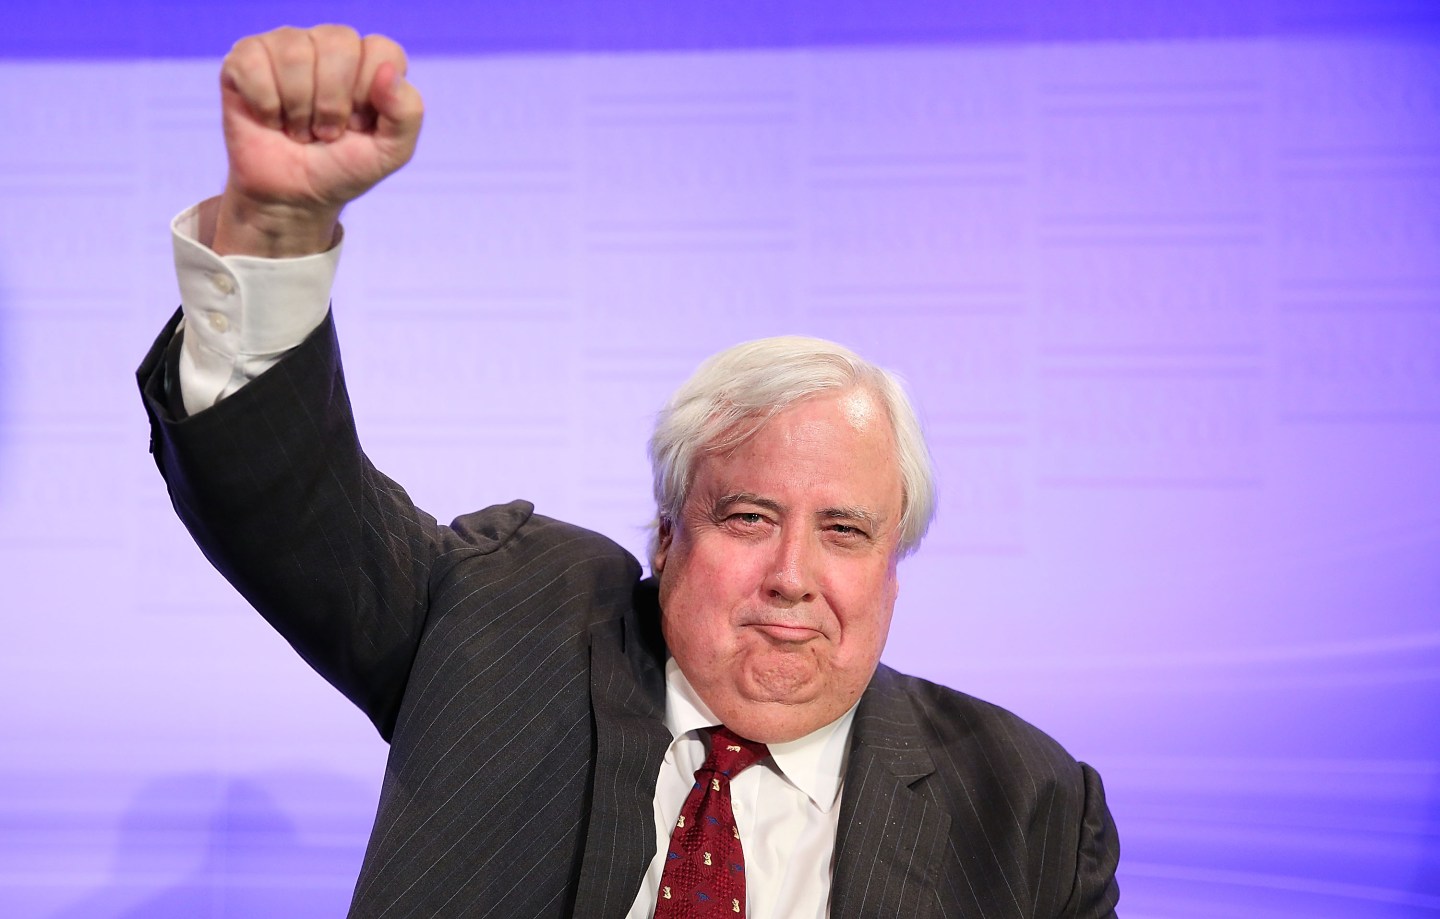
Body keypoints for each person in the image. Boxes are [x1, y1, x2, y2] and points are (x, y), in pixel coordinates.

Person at [136, 25, 1120, 919]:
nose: (792, 573)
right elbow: (294, 506)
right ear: (666, 536)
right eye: (748, 517)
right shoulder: (509, 623)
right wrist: (274, 233)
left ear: (893, 567)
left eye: (845, 530)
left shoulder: (1026, 810)